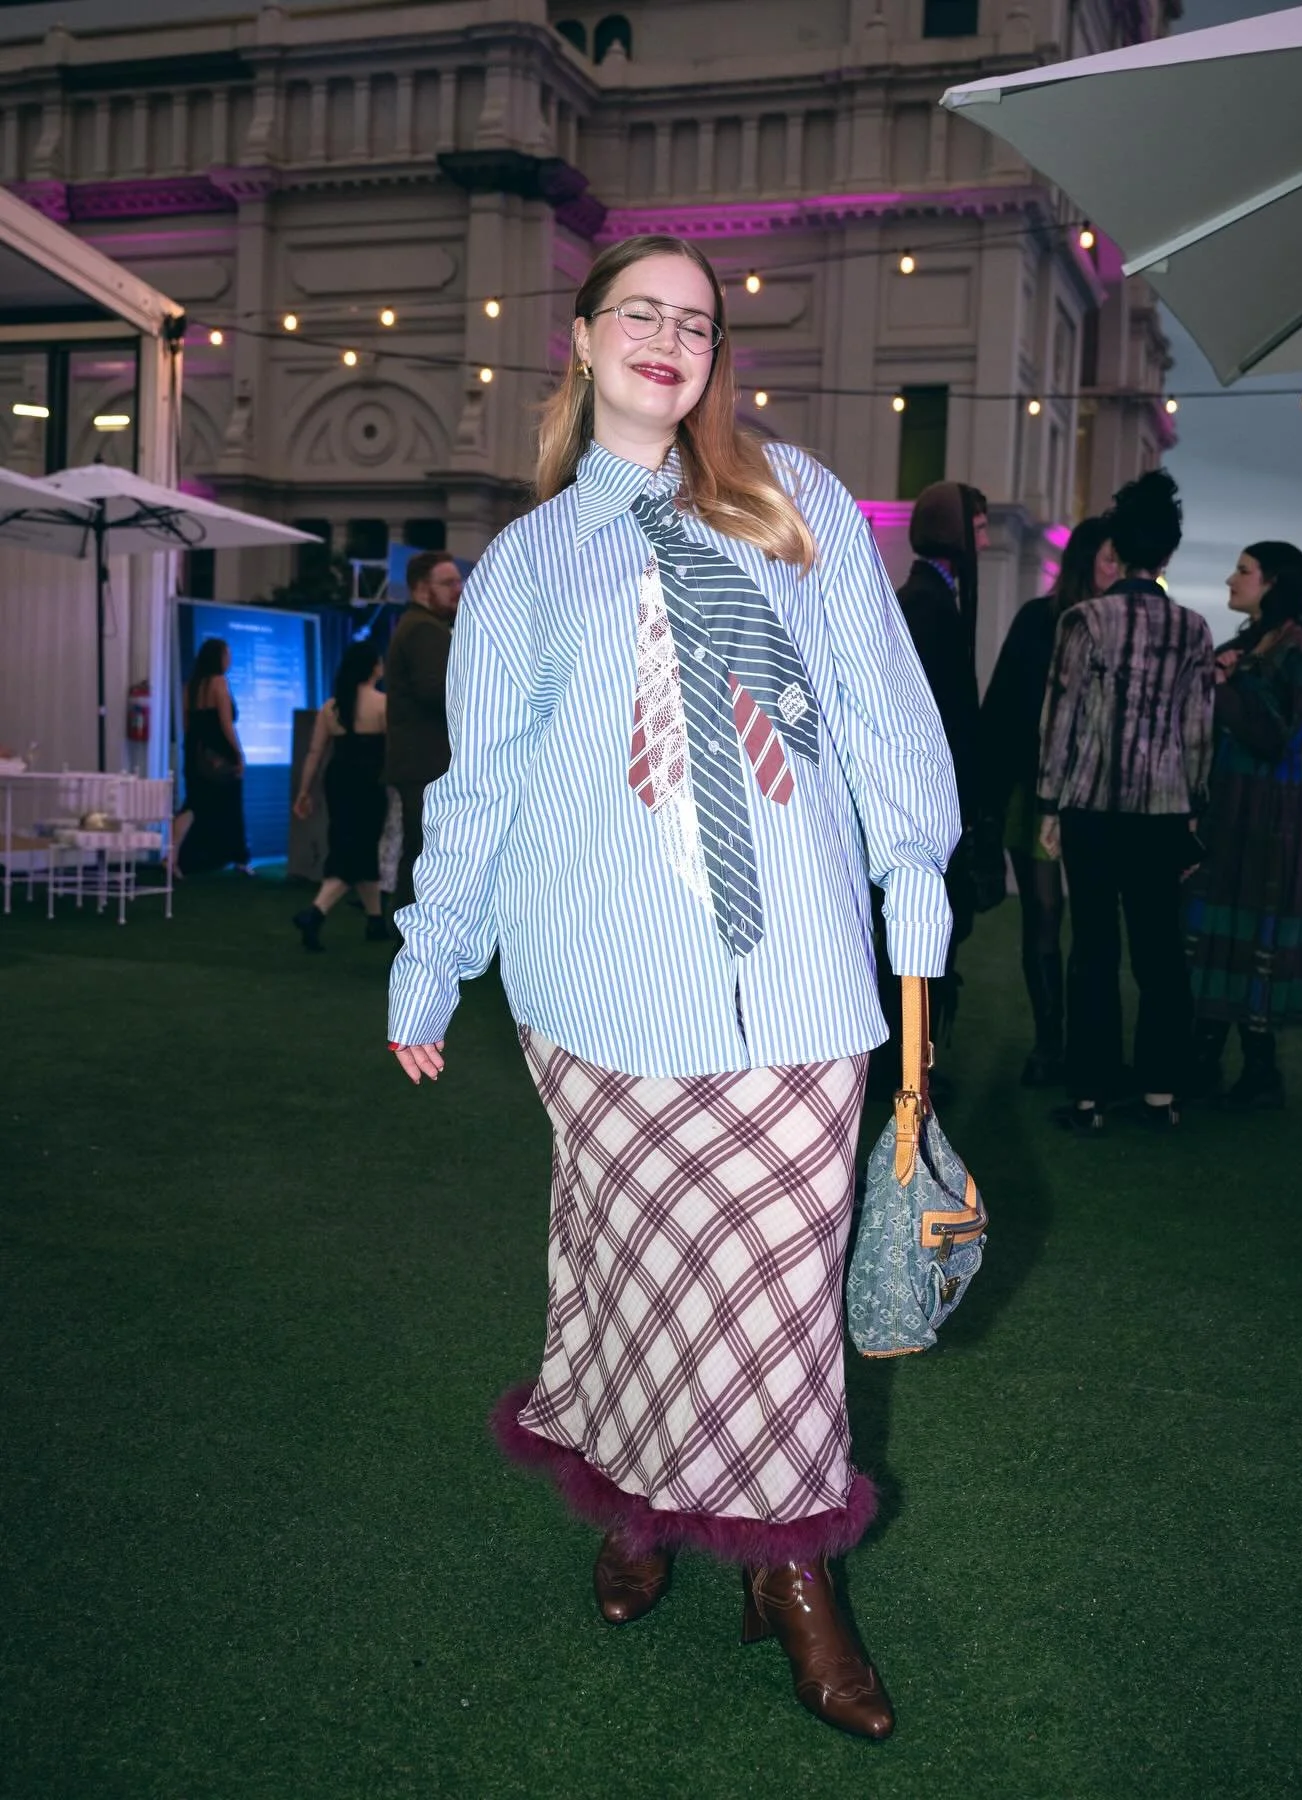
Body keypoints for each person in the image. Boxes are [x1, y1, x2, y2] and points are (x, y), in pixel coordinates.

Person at [387, 233, 959, 1739]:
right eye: (637, 311)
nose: (667, 336)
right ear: (579, 340)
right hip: (596, 980)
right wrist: (429, 956)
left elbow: (883, 707)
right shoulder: (525, 565)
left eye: (694, 321)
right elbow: (481, 787)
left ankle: (796, 1577)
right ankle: (633, 1497)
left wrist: (918, 886)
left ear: (715, 355)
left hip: (807, 978)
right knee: (633, 1269)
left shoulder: (797, 502)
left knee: (779, 1294)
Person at [1037, 469, 1213, 1134]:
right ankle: (1162, 1092)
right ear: (1166, 553)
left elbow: (1061, 720)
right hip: (1164, 808)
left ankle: (1090, 1095)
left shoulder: (1087, 619)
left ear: (1121, 545)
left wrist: (1050, 806)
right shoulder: (1192, 630)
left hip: (1091, 807)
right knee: (1162, 950)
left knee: (1094, 949)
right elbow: (1199, 731)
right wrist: (1194, 807)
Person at [1187, 544, 1302, 1108]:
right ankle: (1210, 1057)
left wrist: (1223, 688)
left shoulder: (1298, 650)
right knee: (1225, 929)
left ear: (1274, 582)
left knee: (1252, 931)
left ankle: (1255, 1069)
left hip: (1273, 823)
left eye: (1244, 571)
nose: (1231, 579)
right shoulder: (1256, 645)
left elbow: (1277, 737)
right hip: (1238, 814)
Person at [979, 517, 1120, 1085]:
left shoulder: (1113, 625)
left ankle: (1079, 1042)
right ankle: (1049, 1040)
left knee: (1086, 914)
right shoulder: (1041, 619)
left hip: (1091, 791)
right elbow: (1005, 707)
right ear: (1088, 559)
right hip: (1033, 788)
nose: (1116, 570)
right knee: (1042, 914)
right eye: (1110, 559)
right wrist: (986, 802)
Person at [894, 480, 989, 957]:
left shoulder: (927, 598)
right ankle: (911, 1033)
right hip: (924, 803)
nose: (985, 543)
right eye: (977, 529)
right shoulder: (927, 604)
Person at [290, 640, 389, 949]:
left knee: (351, 844)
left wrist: (304, 791)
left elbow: (315, 753)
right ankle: (315, 912)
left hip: (339, 780)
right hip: (370, 782)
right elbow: (395, 751)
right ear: (373, 667)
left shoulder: (331, 707)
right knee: (359, 849)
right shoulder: (384, 704)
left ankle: (375, 921)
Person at [383, 549, 463, 916]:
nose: (459, 589)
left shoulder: (417, 626)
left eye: (458, 580)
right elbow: (437, 692)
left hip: (422, 764)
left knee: (422, 853)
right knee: (427, 857)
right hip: (428, 765)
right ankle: (414, 946)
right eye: (447, 583)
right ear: (420, 588)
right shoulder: (424, 630)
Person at [173, 638, 251, 877]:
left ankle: (172, 855)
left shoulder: (190, 687)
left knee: (193, 804)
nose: (229, 660)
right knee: (230, 804)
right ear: (217, 658)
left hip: (194, 752)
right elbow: (227, 725)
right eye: (226, 655)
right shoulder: (219, 683)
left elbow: (186, 724)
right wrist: (239, 754)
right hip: (219, 753)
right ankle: (239, 858)